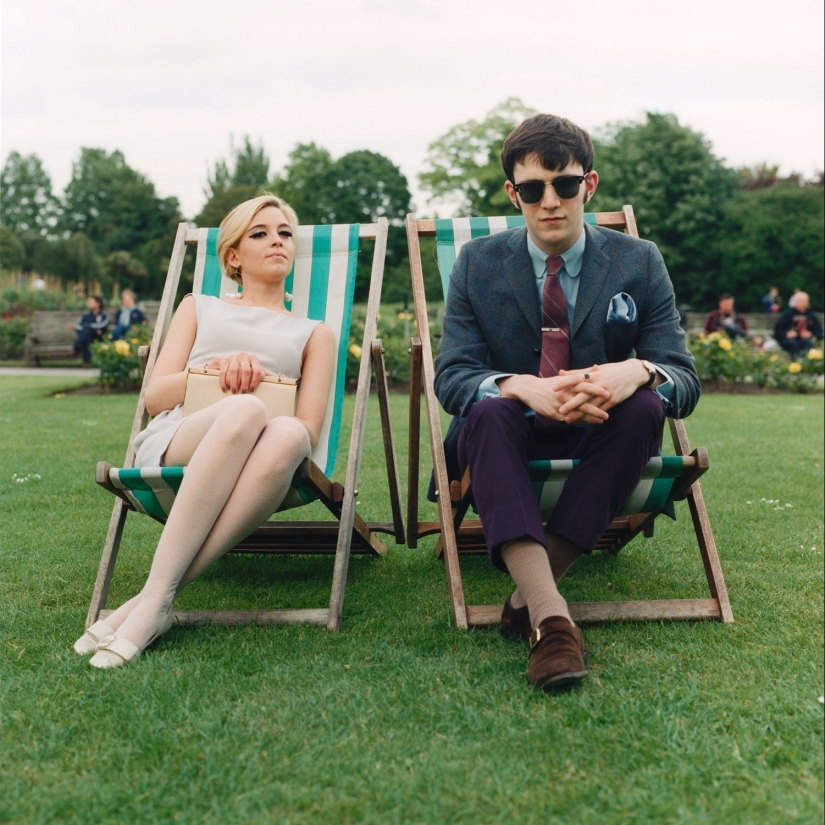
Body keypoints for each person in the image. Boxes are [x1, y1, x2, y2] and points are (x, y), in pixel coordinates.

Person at [434, 114, 699, 691]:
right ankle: (554, 621)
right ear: (513, 194)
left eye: (566, 184)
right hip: (507, 433)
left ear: (590, 184)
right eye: (533, 189)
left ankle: (530, 596)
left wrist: (638, 370)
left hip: (600, 434)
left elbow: (684, 379)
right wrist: (515, 383)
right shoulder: (476, 263)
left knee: (647, 407)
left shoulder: (639, 260)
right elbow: (451, 375)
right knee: (487, 408)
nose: (550, 201)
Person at [73, 194, 336, 668]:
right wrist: (215, 372)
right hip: (180, 436)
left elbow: (309, 428)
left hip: (265, 455)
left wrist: (260, 395)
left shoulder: (315, 332)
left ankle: (149, 603)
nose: (276, 240)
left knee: (289, 434)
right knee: (242, 411)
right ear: (233, 256)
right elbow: (155, 398)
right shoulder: (200, 307)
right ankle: (156, 601)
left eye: (284, 233)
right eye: (259, 233)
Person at [773, 291, 823, 358]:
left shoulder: (812, 315)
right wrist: (786, 333)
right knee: (792, 344)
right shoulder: (787, 314)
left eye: (803, 301)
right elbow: (777, 330)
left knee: (807, 344)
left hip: (806, 340)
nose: (801, 304)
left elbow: (819, 332)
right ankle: (795, 363)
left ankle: (805, 365)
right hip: (790, 340)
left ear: (807, 303)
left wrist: (810, 334)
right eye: (799, 301)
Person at [72, 295, 109, 366]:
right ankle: (86, 361)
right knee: (87, 335)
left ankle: (77, 348)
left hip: (99, 338)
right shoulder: (85, 315)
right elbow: (78, 327)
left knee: (87, 330)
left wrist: (89, 327)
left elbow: (103, 325)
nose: (88, 303)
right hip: (87, 336)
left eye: (90, 302)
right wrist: (90, 328)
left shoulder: (104, 315)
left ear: (98, 304)